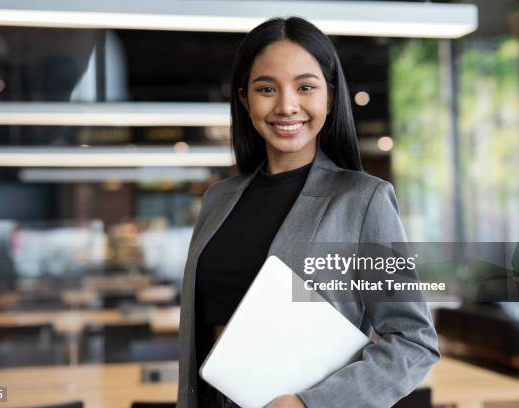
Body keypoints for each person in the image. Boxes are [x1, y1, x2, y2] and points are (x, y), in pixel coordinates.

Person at [177, 17, 439, 408]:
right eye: (266, 88)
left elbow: (413, 341)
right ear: (245, 99)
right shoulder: (218, 200)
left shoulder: (364, 200)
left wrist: (309, 404)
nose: (286, 105)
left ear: (329, 98)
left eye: (305, 87)